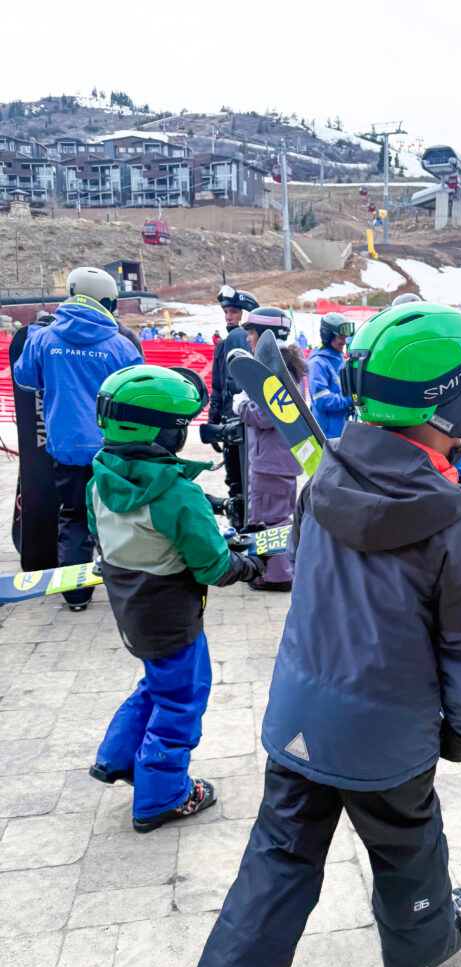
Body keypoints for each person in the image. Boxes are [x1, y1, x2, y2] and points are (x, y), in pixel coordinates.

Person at [188, 303, 461, 967]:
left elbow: (310, 576)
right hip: (385, 741)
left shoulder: (324, 476)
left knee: (273, 869)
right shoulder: (455, 522)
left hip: (301, 718)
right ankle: (418, 949)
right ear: (455, 404)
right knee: (408, 852)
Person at [87, 365, 266, 832]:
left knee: (156, 684)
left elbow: (114, 531)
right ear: (161, 431)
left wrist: (210, 510)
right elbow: (212, 565)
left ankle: (120, 757)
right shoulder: (177, 497)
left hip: (132, 609)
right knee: (182, 699)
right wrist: (250, 565)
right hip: (172, 616)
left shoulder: (100, 479)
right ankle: (162, 796)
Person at [13, 266, 143, 611]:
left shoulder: (44, 339)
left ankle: (76, 593)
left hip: (67, 446)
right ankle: (127, 584)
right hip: (113, 447)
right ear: (106, 301)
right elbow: (138, 394)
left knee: (72, 515)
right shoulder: (120, 344)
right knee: (118, 514)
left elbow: (25, 379)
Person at [234, 307, 308, 592]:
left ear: (265, 335)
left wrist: (241, 406)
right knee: (277, 515)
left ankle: (277, 575)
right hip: (279, 461)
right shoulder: (287, 365)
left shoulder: (276, 369)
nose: (248, 340)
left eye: (251, 333)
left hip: (271, 462)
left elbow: (267, 415)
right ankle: (279, 569)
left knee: (269, 518)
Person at [209, 285, 259, 498]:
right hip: (231, 422)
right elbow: (218, 386)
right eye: (226, 312)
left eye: (234, 312)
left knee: (243, 483)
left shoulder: (246, 340)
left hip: (245, 421)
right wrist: (213, 418)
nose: (229, 317)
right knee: (237, 483)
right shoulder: (222, 345)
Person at [307, 311, 356, 438]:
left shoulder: (339, 360)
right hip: (326, 434)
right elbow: (321, 400)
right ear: (328, 336)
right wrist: (349, 399)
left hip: (342, 431)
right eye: (341, 337)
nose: (344, 341)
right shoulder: (317, 363)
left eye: (345, 337)